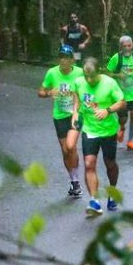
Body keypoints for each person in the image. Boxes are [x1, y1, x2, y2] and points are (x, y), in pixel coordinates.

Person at [71, 57, 126, 216]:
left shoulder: (109, 83)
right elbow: (77, 101)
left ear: (99, 72)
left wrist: (107, 110)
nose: (89, 79)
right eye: (86, 76)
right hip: (90, 129)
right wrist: (75, 115)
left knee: (110, 164)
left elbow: (122, 102)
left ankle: (112, 191)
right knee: (89, 163)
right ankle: (94, 201)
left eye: (92, 76)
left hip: (108, 130)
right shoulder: (79, 82)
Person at [39, 45, 85, 198]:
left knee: (71, 147)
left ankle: (77, 181)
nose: (64, 60)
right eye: (61, 57)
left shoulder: (80, 72)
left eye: (67, 57)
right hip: (59, 116)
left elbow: (89, 87)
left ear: (72, 59)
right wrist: (48, 93)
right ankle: (73, 180)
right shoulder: (52, 73)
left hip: (76, 114)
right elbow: (40, 91)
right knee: (65, 151)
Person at [105, 35, 133, 151]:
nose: (127, 48)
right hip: (120, 95)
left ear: (132, 45)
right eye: (124, 46)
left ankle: (130, 140)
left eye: (129, 45)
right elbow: (107, 74)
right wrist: (118, 75)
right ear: (120, 47)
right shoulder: (116, 58)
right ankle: (122, 128)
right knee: (123, 119)